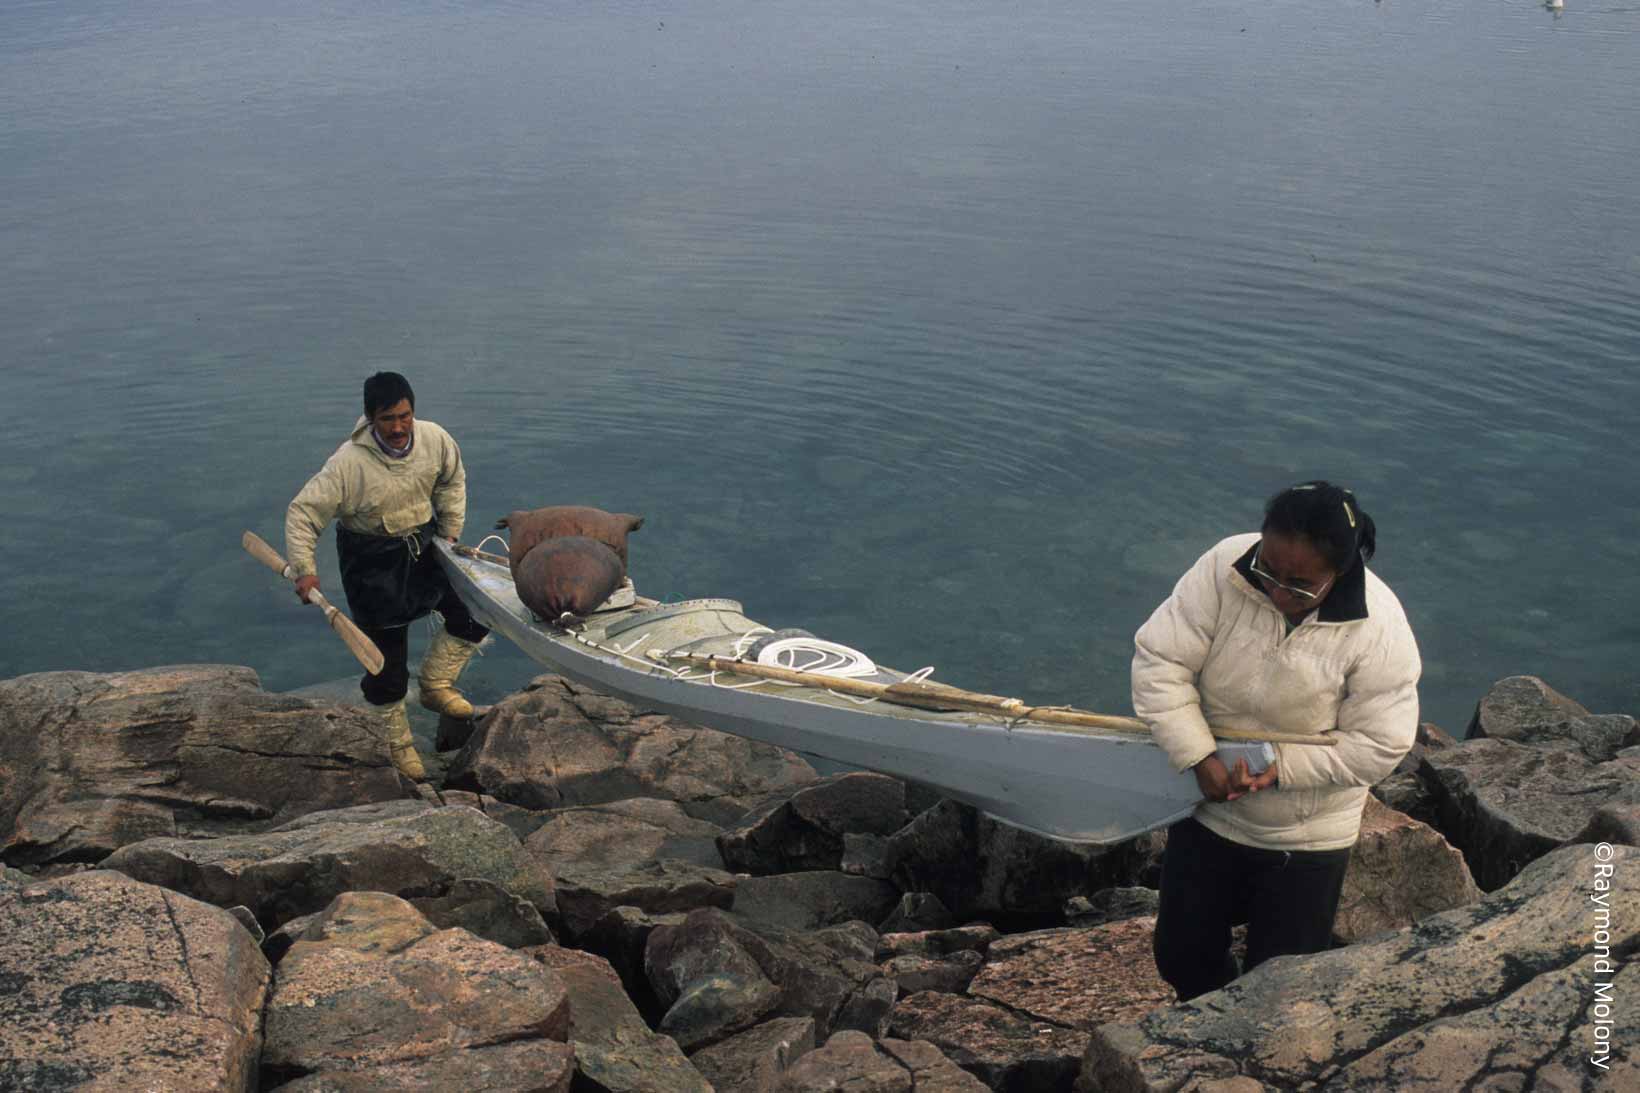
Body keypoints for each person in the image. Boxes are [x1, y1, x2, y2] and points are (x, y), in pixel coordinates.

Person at [1130, 481, 1421, 1002]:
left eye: (1301, 585)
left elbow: (1381, 742)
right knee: (1181, 957)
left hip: (1306, 838)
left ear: (1341, 570)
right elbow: (1161, 662)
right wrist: (1197, 754)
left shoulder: (1379, 626)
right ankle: (1203, 1033)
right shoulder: (1225, 566)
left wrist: (1279, 767)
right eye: (1269, 571)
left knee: (1279, 987)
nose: (1279, 593)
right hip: (1208, 809)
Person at [285, 371, 490, 779]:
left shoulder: (434, 439)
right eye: (388, 419)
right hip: (371, 563)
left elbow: (452, 479)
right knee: (386, 668)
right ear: (369, 418)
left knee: (474, 616)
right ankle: (398, 745)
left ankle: (434, 687)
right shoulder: (347, 464)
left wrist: (450, 530)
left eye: (405, 416)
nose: (398, 428)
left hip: (426, 546)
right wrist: (306, 571)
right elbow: (303, 514)